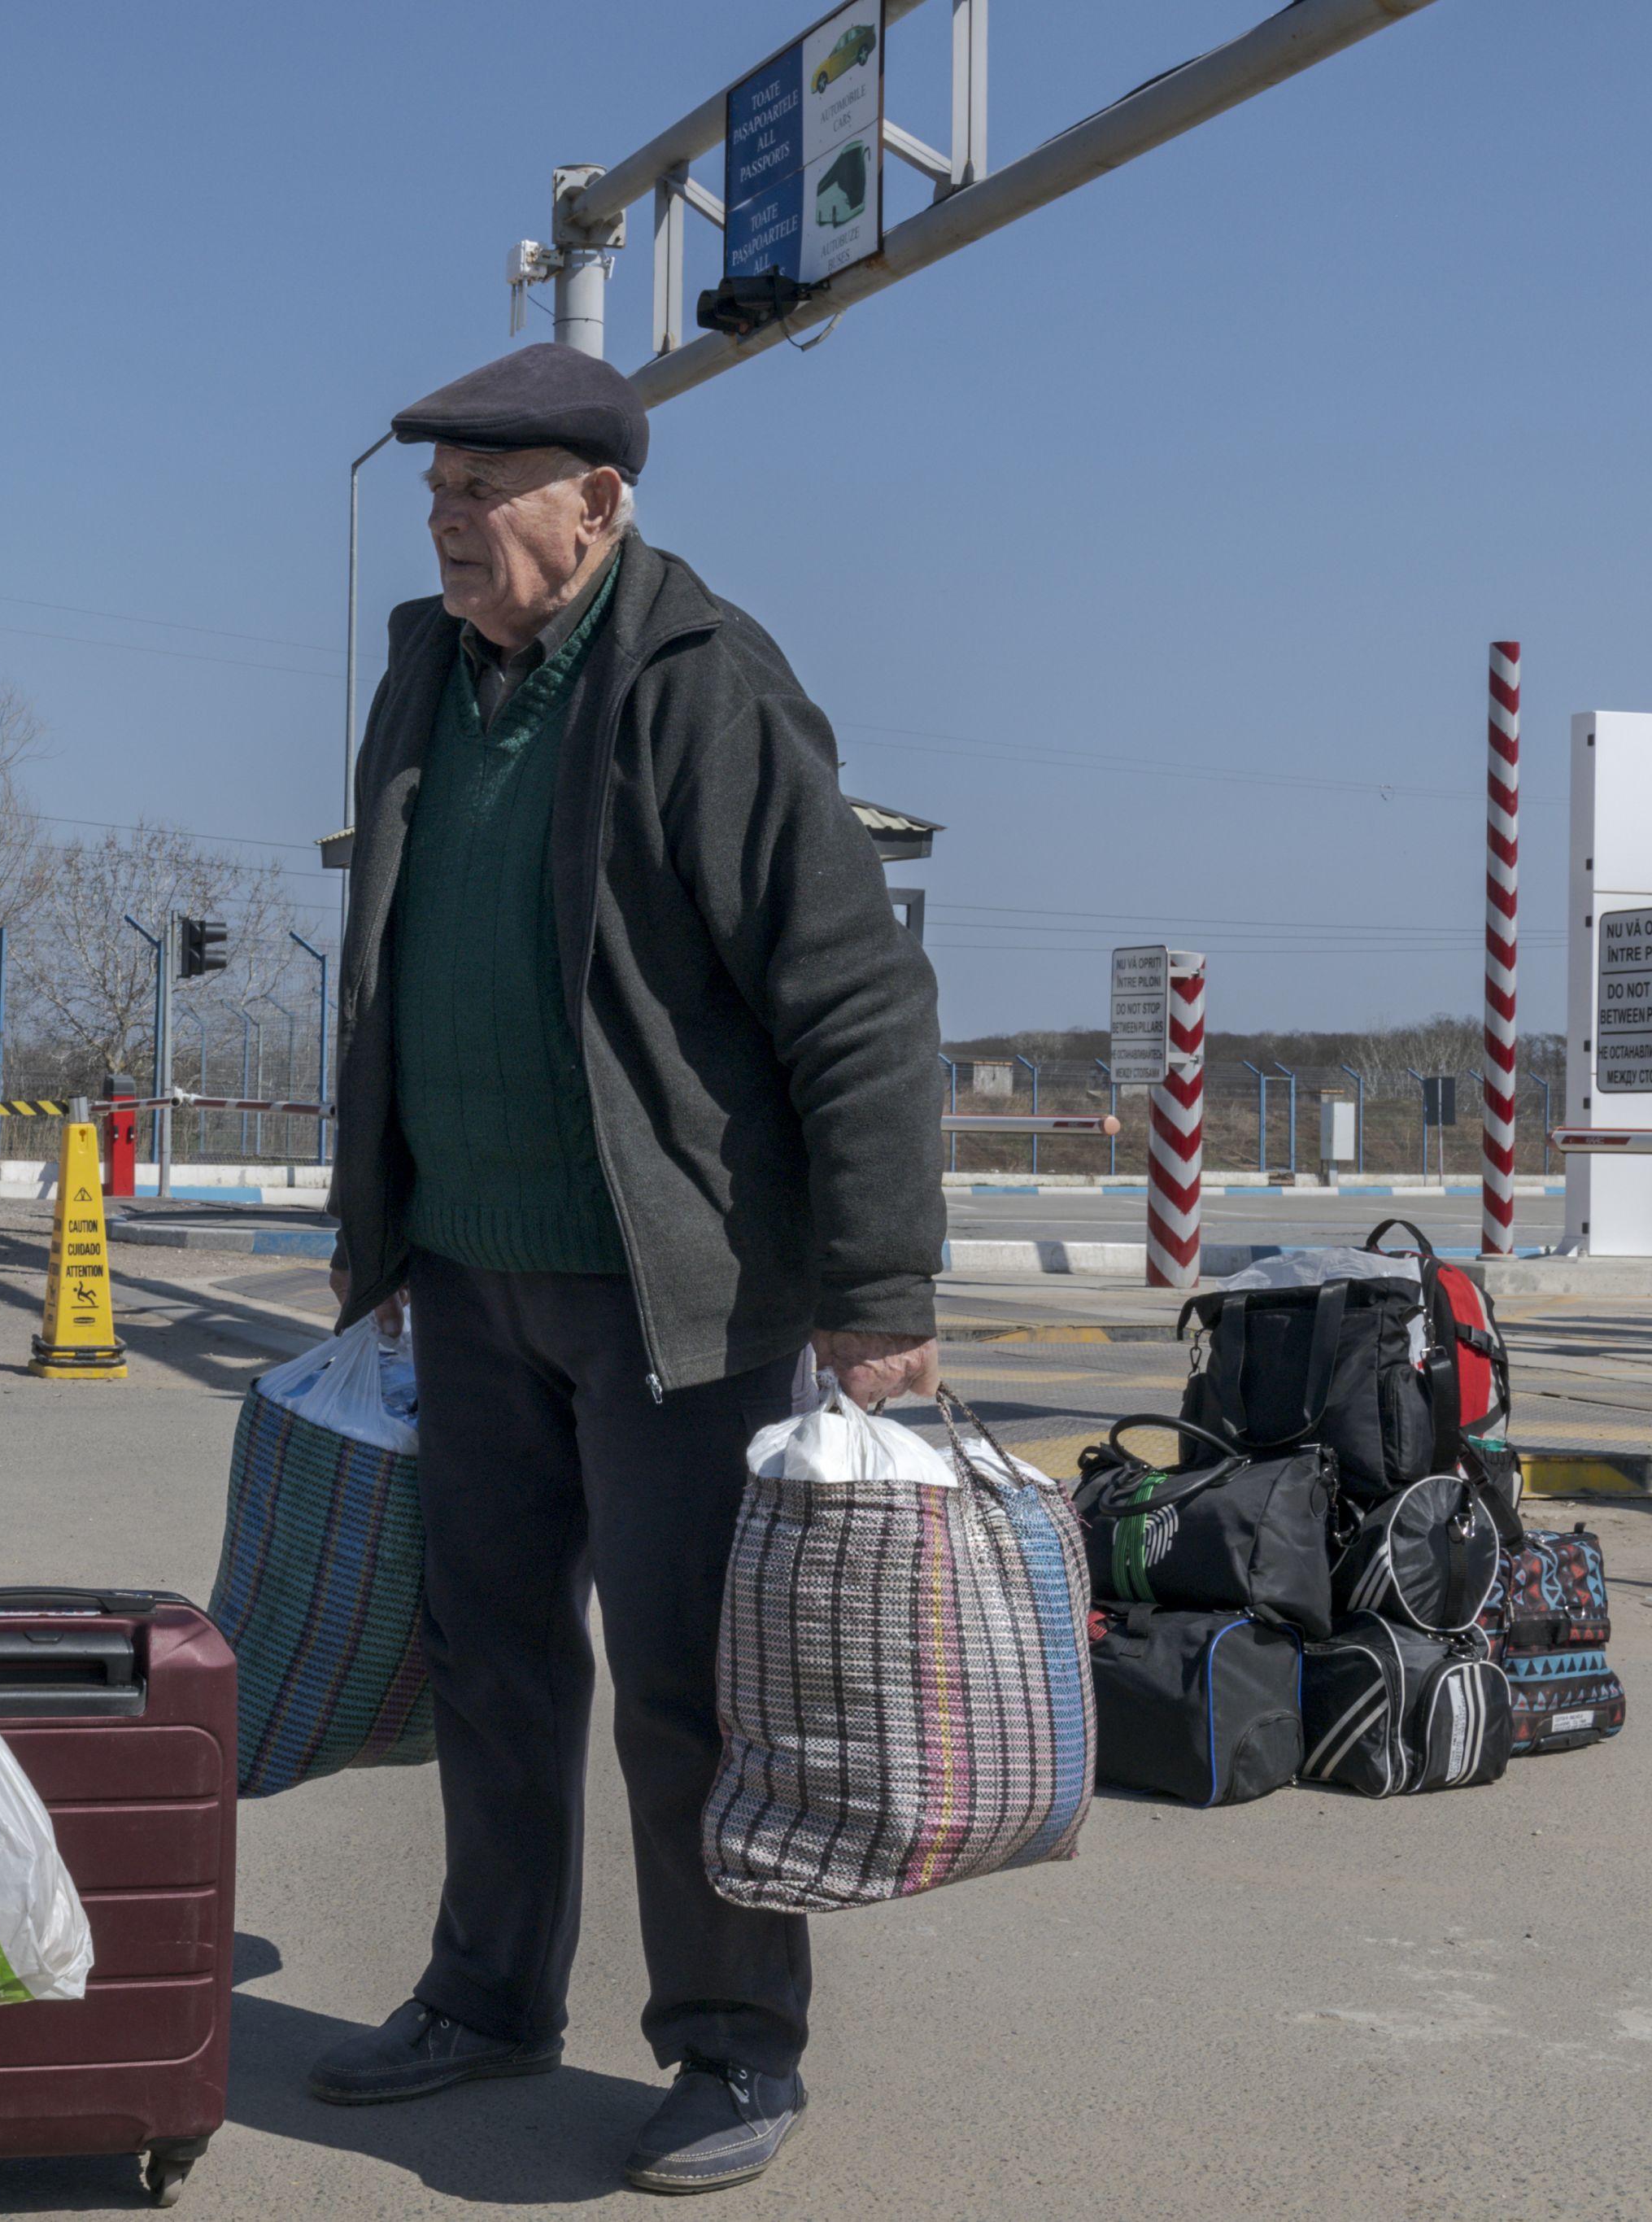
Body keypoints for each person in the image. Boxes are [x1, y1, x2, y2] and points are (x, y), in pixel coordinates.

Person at [312, 345, 944, 2195]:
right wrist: (387, 1229)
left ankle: (733, 2047)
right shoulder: (431, 679)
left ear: (596, 503)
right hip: (471, 1269)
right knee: (491, 1665)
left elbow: (854, 1001)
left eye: (482, 488)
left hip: (677, 1297)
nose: (445, 518)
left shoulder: (699, 685)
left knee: (689, 1688)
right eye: (433, 493)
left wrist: (882, 1288)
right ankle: (488, 1992)